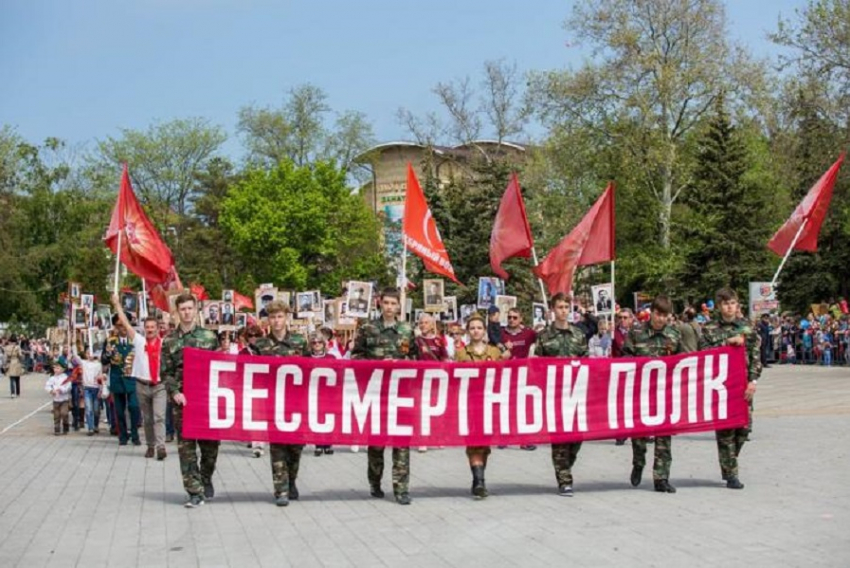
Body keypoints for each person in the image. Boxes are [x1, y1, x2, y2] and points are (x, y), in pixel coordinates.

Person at [350, 287, 417, 505]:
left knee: (401, 441)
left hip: (401, 394)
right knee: (376, 443)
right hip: (376, 393)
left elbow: (417, 359)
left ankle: (401, 488)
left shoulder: (407, 329)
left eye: (393, 304)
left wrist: (402, 364)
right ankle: (375, 482)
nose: (389, 307)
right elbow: (355, 357)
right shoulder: (368, 328)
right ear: (380, 303)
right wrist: (376, 365)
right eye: (386, 303)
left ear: (399, 306)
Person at [621, 295, 686, 494]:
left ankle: (661, 477)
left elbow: (682, 362)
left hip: (664, 394)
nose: (660, 319)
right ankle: (638, 463)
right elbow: (625, 358)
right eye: (657, 314)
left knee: (664, 436)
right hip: (640, 393)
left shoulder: (674, 335)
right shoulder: (637, 332)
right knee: (638, 435)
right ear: (652, 313)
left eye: (664, 316)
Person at [161, 292, 220, 508]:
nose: (186, 312)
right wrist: (175, 391)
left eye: (190, 308)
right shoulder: (169, 341)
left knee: (210, 447)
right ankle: (194, 490)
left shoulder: (209, 338)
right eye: (182, 309)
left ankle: (205, 478)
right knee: (186, 449)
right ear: (177, 312)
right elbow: (165, 372)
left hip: (205, 400)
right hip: (182, 401)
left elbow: (220, 369)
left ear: (196, 310)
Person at [699, 287, 761, 490]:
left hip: (743, 385)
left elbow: (755, 357)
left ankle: (729, 462)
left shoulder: (746, 328)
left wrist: (753, 381)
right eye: (725, 304)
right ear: (719, 306)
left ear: (738, 305)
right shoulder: (709, 328)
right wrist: (727, 342)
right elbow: (703, 353)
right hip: (720, 386)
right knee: (725, 431)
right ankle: (731, 474)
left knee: (744, 429)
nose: (730, 307)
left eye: (733, 303)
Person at [253, 300, 309, 507]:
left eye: (280, 316)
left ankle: (291, 480)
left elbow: (309, 371)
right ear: (268, 320)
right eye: (273, 317)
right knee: (277, 448)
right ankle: (281, 490)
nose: (277, 321)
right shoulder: (261, 345)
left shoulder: (299, 343)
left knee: (295, 448)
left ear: (287, 318)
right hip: (272, 404)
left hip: (295, 403)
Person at [533, 293, 589, 497]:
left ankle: (566, 465)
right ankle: (564, 479)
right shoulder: (544, 336)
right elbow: (537, 365)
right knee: (559, 438)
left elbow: (587, 362)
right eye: (560, 307)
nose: (564, 310)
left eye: (567, 307)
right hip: (554, 394)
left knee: (577, 437)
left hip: (575, 393)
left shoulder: (579, 335)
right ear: (552, 310)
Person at [455, 313, 503, 498]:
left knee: (485, 444)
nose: (476, 331)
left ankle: (479, 479)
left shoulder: (494, 353)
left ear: (484, 331)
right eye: (472, 328)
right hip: (469, 403)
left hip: (490, 403)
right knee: (473, 443)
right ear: (468, 331)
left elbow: (503, 376)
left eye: (479, 328)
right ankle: (478, 482)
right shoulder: (461, 353)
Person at [112, 294, 167, 460]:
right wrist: (117, 305)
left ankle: (161, 446)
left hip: (159, 386)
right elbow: (126, 324)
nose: (150, 329)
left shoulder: (164, 344)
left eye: (153, 327)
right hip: (142, 385)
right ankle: (150, 446)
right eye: (147, 327)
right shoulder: (139, 341)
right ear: (144, 328)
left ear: (157, 328)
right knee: (148, 419)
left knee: (159, 417)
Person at [101, 316, 141, 446]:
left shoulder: (136, 339)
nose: (123, 328)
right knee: (119, 410)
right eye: (119, 325)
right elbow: (104, 360)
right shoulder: (110, 341)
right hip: (117, 379)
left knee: (134, 407)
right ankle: (123, 435)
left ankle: (135, 434)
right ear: (115, 327)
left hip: (132, 378)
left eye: (125, 324)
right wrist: (108, 354)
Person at [308, 331, 339, 457]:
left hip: (328, 394)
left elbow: (339, 374)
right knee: (316, 418)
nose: (317, 345)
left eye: (319, 342)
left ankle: (328, 443)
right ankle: (318, 444)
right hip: (312, 393)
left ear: (324, 344)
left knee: (328, 418)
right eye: (314, 342)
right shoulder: (307, 358)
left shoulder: (331, 358)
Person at [79, 349, 105, 435]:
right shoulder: (84, 363)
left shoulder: (98, 364)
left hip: (96, 388)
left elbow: (101, 377)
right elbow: (75, 356)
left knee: (96, 409)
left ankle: (96, 425)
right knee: (89, 408)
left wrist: (101, 389)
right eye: (87, 353)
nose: (89, 355)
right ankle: (90, 428)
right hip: (87, 388)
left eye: (91, 353)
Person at [45, 361, 72, 435]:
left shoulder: (65, 377)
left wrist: (62, 390)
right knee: (56, 415)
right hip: (56, 400)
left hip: (64, 399)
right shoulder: (52, 378)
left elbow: (69, 387)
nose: (56, 370)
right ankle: (57, 428)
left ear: (63, 369)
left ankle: (65, 425)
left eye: (58, 368)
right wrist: (51, 391)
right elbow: (47, 386)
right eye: (55, 368)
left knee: (64, 413)